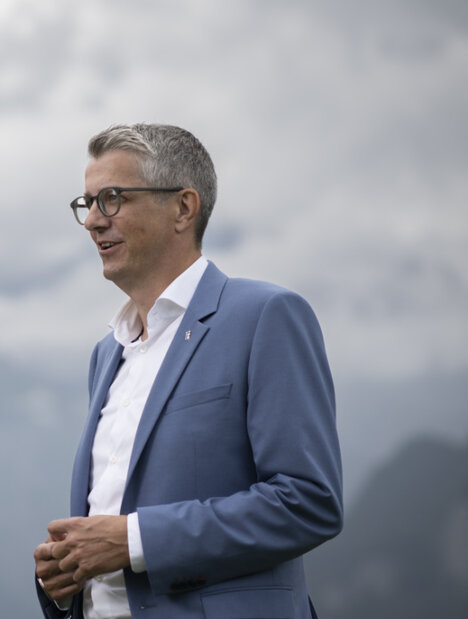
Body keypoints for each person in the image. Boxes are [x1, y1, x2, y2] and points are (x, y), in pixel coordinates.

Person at [33, 124, 343, 619]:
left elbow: (308, 501)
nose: (92, 220)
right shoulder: (105, 353)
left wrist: (134, 540)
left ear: (183, 207)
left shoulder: (265, 315)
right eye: (86, 203)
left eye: (111, 199)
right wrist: (67, 574)